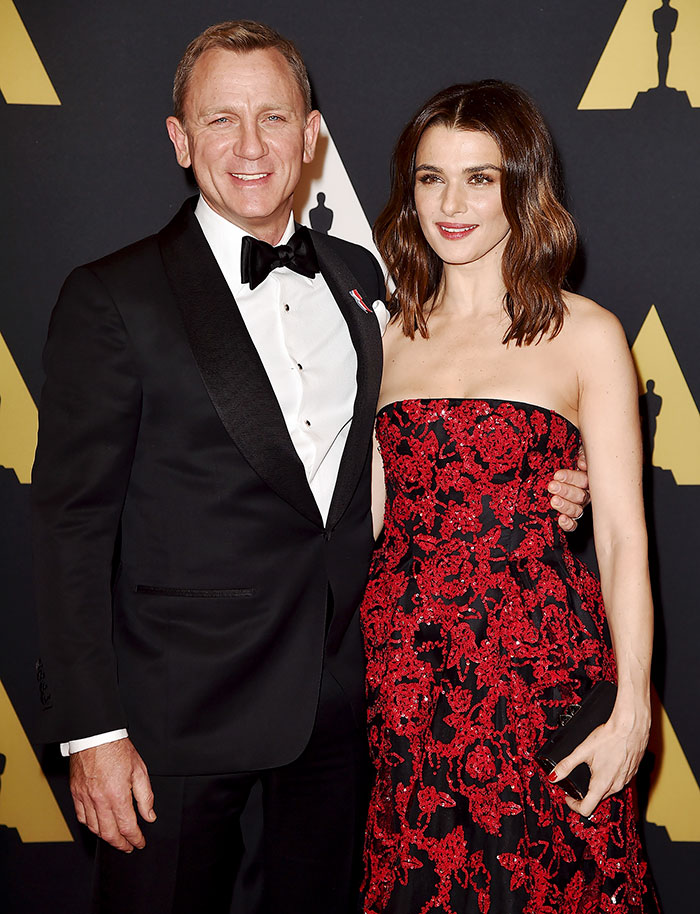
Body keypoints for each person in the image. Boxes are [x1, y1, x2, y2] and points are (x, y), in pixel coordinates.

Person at [31, 20, 589, 913]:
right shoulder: (113, 298)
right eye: (220, 120)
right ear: (178, 138)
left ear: (313, 135)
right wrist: (91, 730)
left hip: (347, 704)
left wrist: (551, 475)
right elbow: (69, 528)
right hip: (176, 719)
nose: (250, 147)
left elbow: (434, 436)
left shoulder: (362, 284)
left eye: (273, 118)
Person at [360, 81, 659, 913]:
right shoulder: (379, 338)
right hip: (405, 680)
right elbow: (369, 521)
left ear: (522, 187)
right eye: (430, 178)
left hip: (541, 672)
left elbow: (627, 539)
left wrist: (635, 702)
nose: (451, 204)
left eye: (480, 179)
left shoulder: (588, 333)